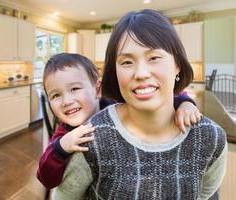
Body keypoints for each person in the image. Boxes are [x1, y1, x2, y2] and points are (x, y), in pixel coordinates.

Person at [52, 9, 227, 200]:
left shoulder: (211, 139)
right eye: (127, 62)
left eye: (154, 58)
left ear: (177, 64)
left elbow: (206, 194)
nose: (141, 73)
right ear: (115, 72)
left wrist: (186, 103)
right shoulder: (92, 138)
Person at [37, 53, 201, 189]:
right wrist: (61, 148)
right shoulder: (63, 135)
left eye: (74, 89)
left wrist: (185, 103)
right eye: (56, 95)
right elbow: (46, 179)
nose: (66, 101)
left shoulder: (117, 105)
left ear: (98, 88)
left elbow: (160, 95)